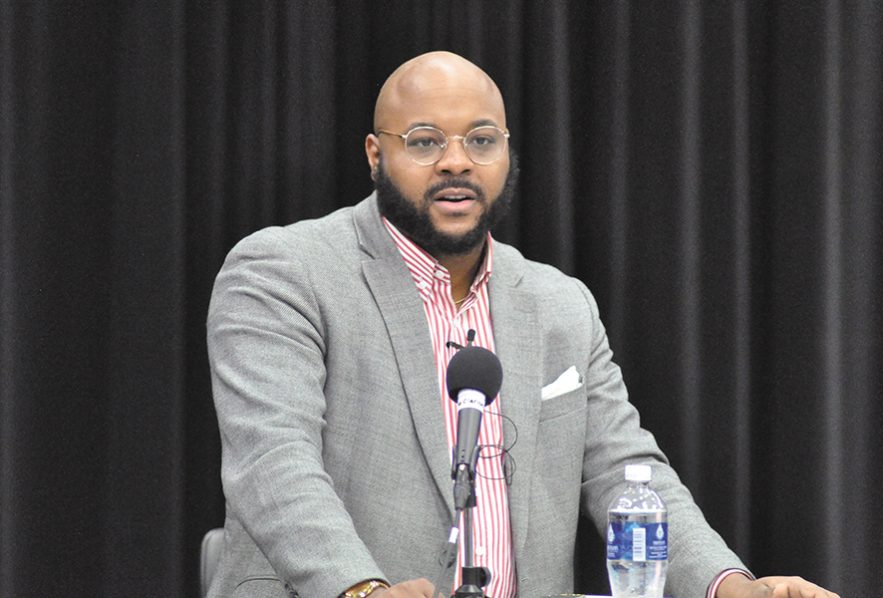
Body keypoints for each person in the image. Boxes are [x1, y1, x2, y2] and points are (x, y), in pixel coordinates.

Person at [206, 51, 839, 598]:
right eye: (425, 141)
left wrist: (730, 585)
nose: (456, 162)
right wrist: (360, 588)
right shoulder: (284, 272)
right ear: (375, 154)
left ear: (507, 150)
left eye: (481, 140)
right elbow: (274, 462)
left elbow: (626, 472)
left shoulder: (560, 303)